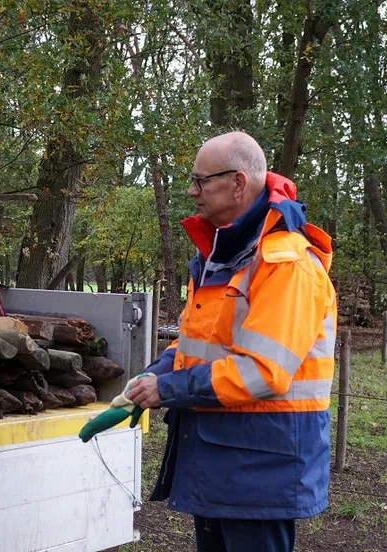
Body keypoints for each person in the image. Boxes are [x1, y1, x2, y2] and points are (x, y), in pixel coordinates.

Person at [126, 132, 337, 552]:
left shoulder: (286, 264)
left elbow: (262, 371)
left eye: (200, 181)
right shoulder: (223, 254)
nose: (192, 191)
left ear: (238, 183)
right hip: (222, 459)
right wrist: (155, 373)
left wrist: (167, 389)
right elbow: (202, 344)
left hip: (262, 469)